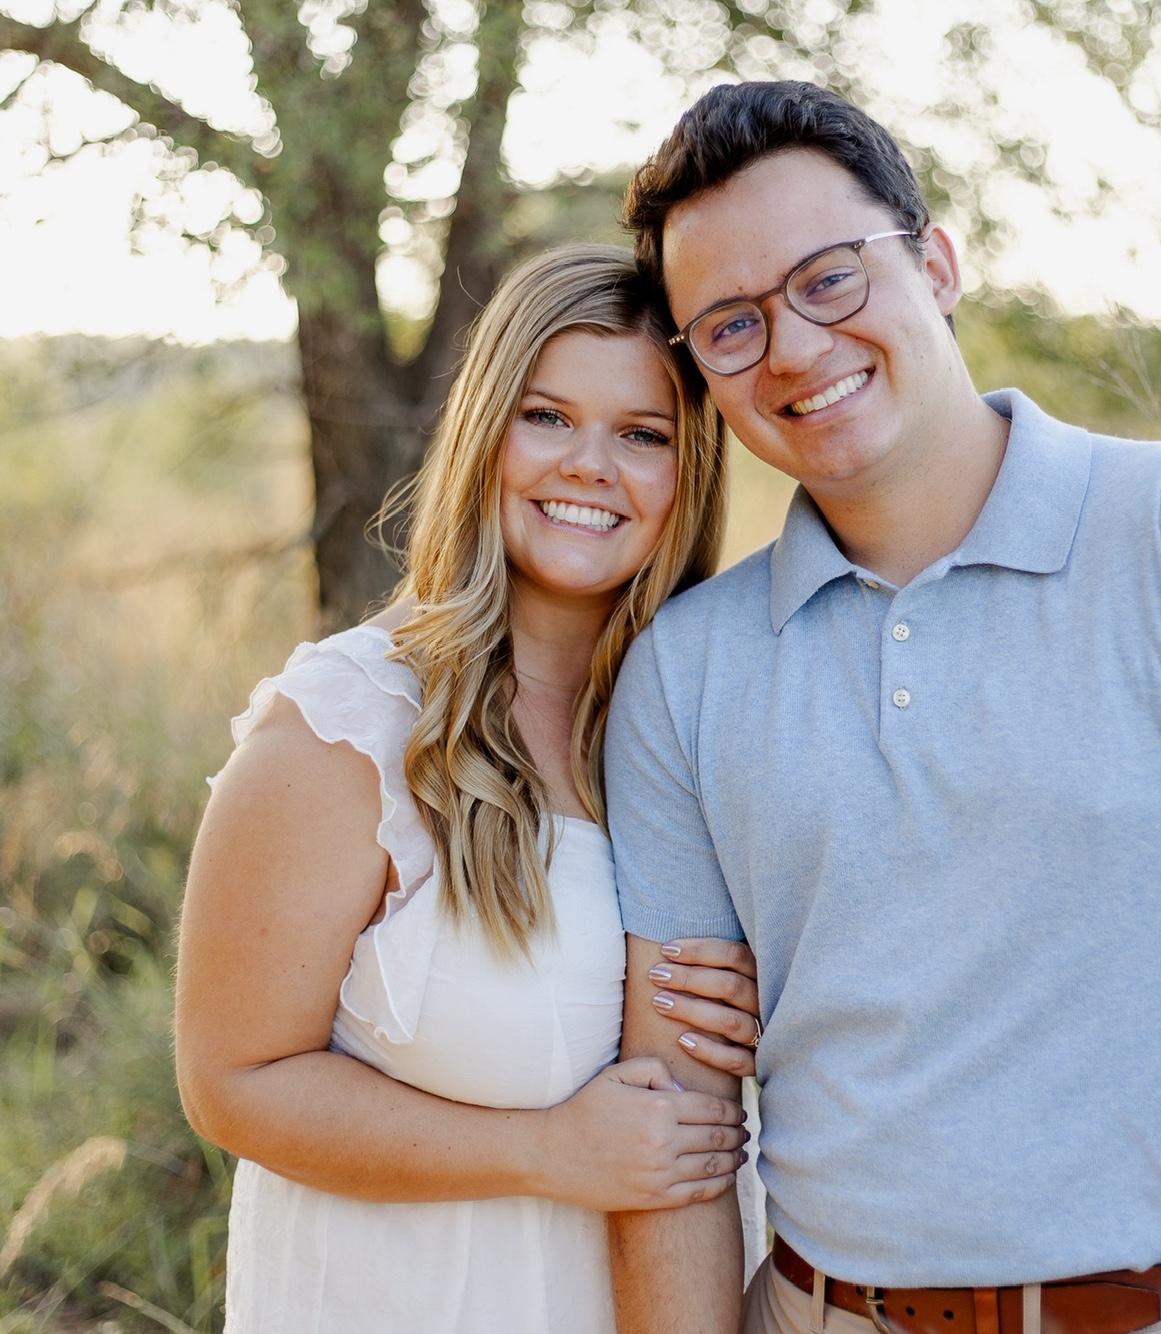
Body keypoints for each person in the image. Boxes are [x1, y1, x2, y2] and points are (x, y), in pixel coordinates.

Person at [602, 81, 1161, 1334]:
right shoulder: (685, 668)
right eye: (727, 325)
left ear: (934, 262)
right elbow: (670, 1108)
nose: (789, 348)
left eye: (828, 278)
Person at [174, 243, 768, 1333]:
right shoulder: (346, 725)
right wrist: (546, 1151)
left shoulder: (703, 731)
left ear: (690, 471)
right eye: (546, 416)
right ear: (484, 432)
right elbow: (231, 1079)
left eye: (641, 434)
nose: (590, 464)